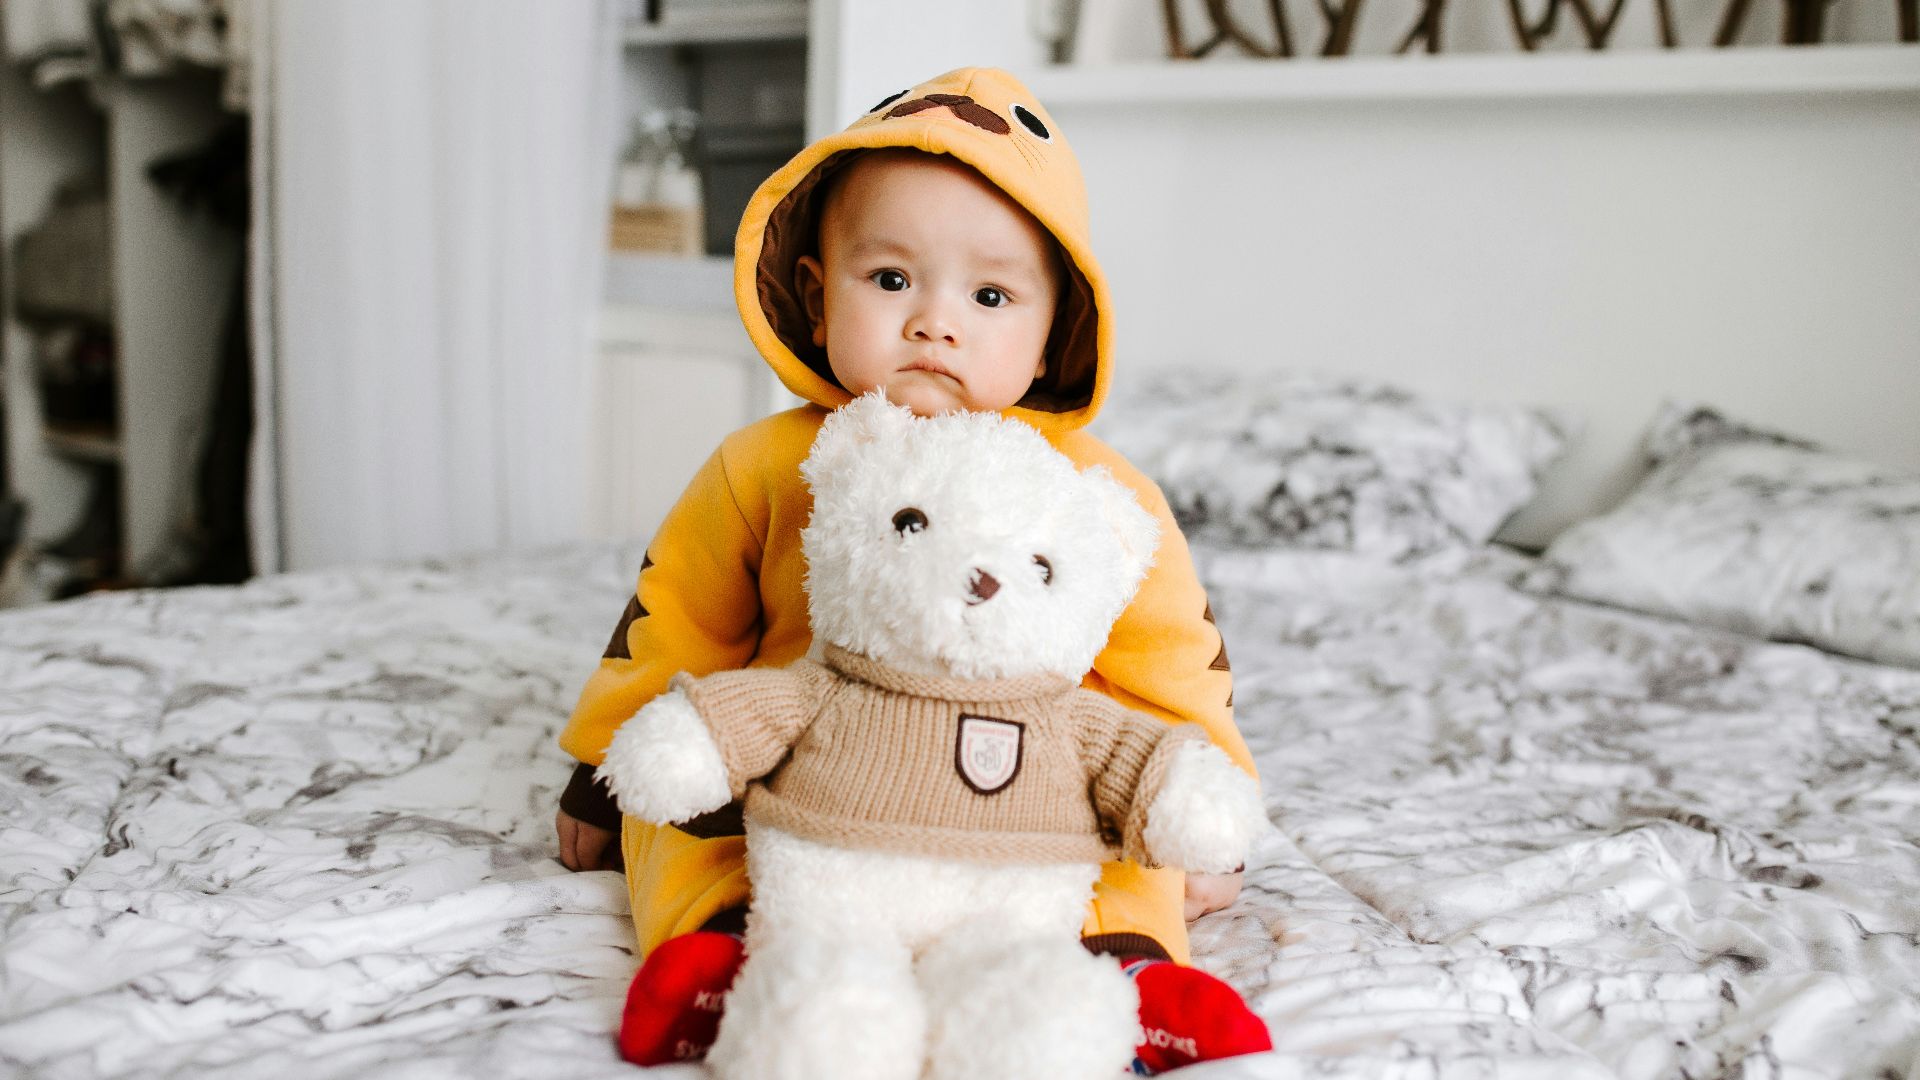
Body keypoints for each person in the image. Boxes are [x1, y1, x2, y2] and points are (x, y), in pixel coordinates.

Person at [555, 67, 1271, 1074]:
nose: (936, 322)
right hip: (803, 781)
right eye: (891, 280)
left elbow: (1174, 660)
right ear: (817, 292)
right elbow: (672, 619)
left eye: (989, 294)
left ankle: (1125, 969)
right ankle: (721, 949)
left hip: (1030, 797)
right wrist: (601, 762)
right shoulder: (766, 465)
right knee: (676, 822)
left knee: (1119, 852)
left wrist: (1209, 805)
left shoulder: (1094, 494)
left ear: (1054, 326)